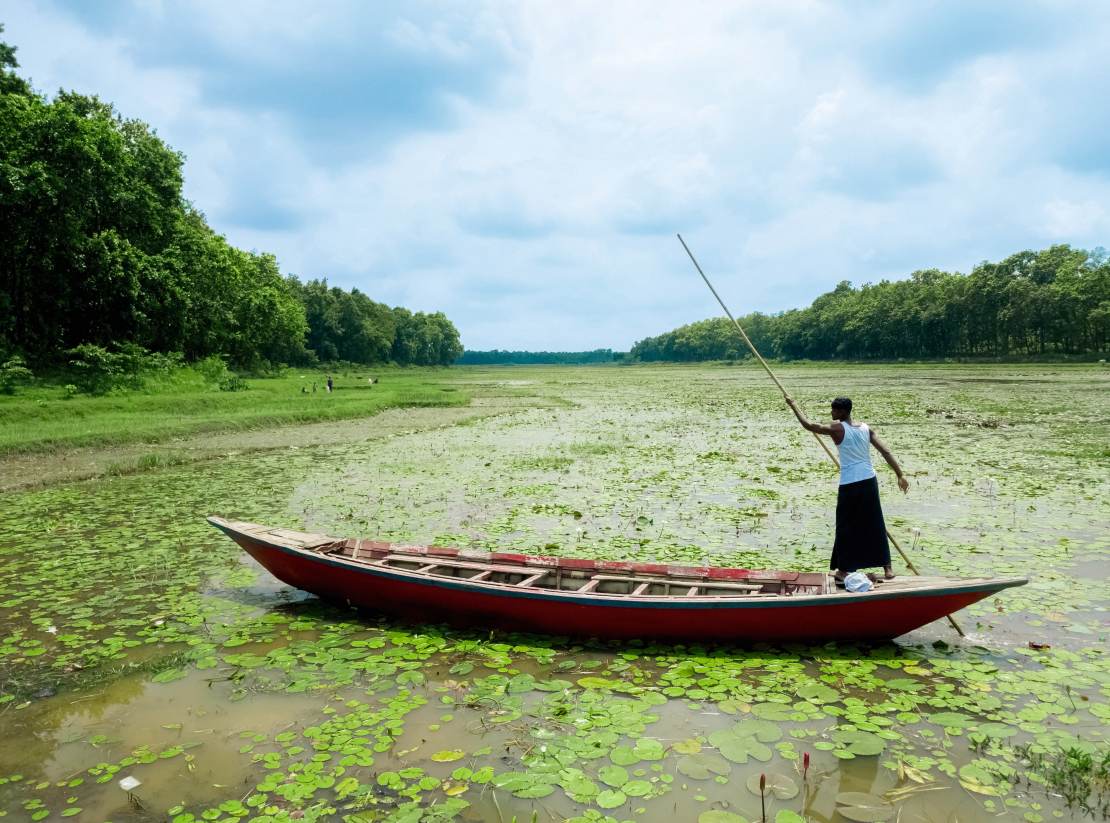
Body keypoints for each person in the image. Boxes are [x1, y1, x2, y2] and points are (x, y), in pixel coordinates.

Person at [784, 395, 909, 582]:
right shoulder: (866, 429)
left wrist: (793, 404)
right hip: (869, 480)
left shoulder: (837, 429)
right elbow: (886, 452)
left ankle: (843, 571)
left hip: (850, 482)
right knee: (875, 521)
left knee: (845, 525)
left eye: (833, 409)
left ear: (841, 412)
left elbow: (809, 426)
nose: (831, 412)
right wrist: (900, 475)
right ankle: (887, 568)